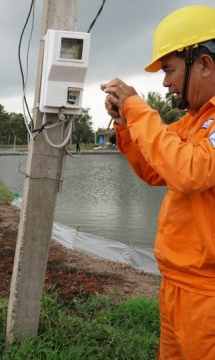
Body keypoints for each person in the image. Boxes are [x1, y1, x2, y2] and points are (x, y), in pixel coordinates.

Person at [100, 5, 215, 359]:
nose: (164, 82)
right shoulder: (195, 122)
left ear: (204, 64)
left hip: (208, 296)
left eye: (168, 70)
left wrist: (137, 107)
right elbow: (155, 169)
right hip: (178, 285)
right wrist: (124, 125)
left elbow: (188, 171)